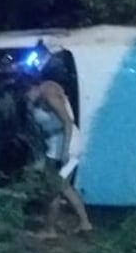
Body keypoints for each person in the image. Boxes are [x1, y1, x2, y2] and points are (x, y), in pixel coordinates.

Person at [22, 75, 93, 237]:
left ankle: (50, 230)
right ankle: (84, 223)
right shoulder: (36, 100)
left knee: (55, 186)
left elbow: (67, 122)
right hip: (54, 143)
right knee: (63, 187)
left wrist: (65, 150)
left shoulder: (49, 92)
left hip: (66, 142)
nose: (27, 97)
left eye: (27, 92)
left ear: (33, 87)